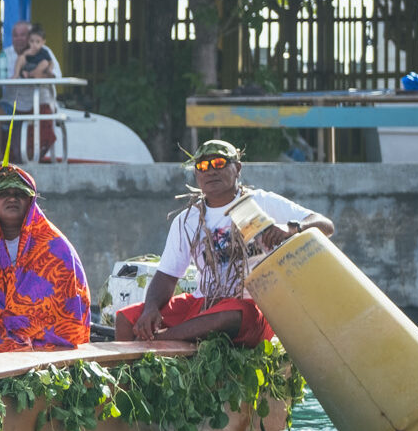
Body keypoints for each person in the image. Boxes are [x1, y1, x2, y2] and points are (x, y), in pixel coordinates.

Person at [115, 140, 334, 346]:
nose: (210, 170)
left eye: (219, 163)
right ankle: (126, 383)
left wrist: (292, 228)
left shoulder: (261, 202)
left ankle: (160, 340)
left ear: (237, 168)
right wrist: (151, 308)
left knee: (226, 316)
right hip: (205, 305)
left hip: (251, 308)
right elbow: (167, 275)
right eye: (202, 166)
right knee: (126, 320)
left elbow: (325, 225)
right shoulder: (187, 219)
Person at [0, 163, 91, 359]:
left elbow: (70, 313)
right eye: (4, 193)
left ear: (30, 201)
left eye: (19, 194)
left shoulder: (57, 247)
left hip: (39, 345)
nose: (12, 198)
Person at [0, 23, 64, 161]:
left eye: (23, 35)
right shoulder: (7, 54)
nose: (19, 39)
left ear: (30, 37)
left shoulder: (44, 52)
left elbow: (56, 75)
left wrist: (38, 74)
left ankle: (30, 163)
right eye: (15, 35)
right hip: (12, 104)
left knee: (42, 123)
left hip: (40, 104)